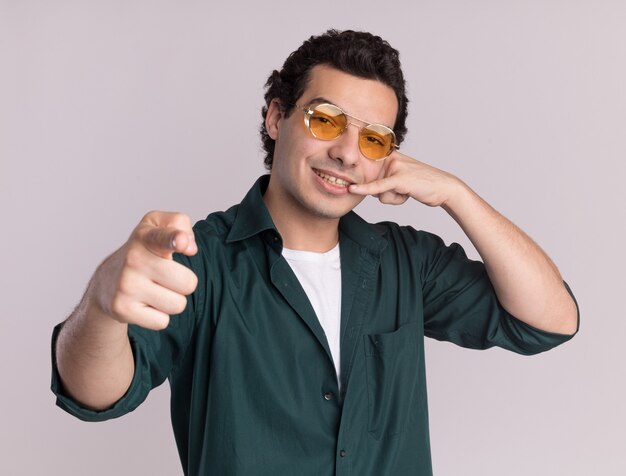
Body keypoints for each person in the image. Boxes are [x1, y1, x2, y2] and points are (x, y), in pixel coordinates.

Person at [51, 30, 579, 475]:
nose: (347, 152)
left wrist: (456, 194)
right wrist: (101, 306)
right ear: (277, 118)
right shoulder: (200, 259)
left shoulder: (407, 262)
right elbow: (94, 395)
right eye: (325, 120)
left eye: (374, 139)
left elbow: (551, 320)